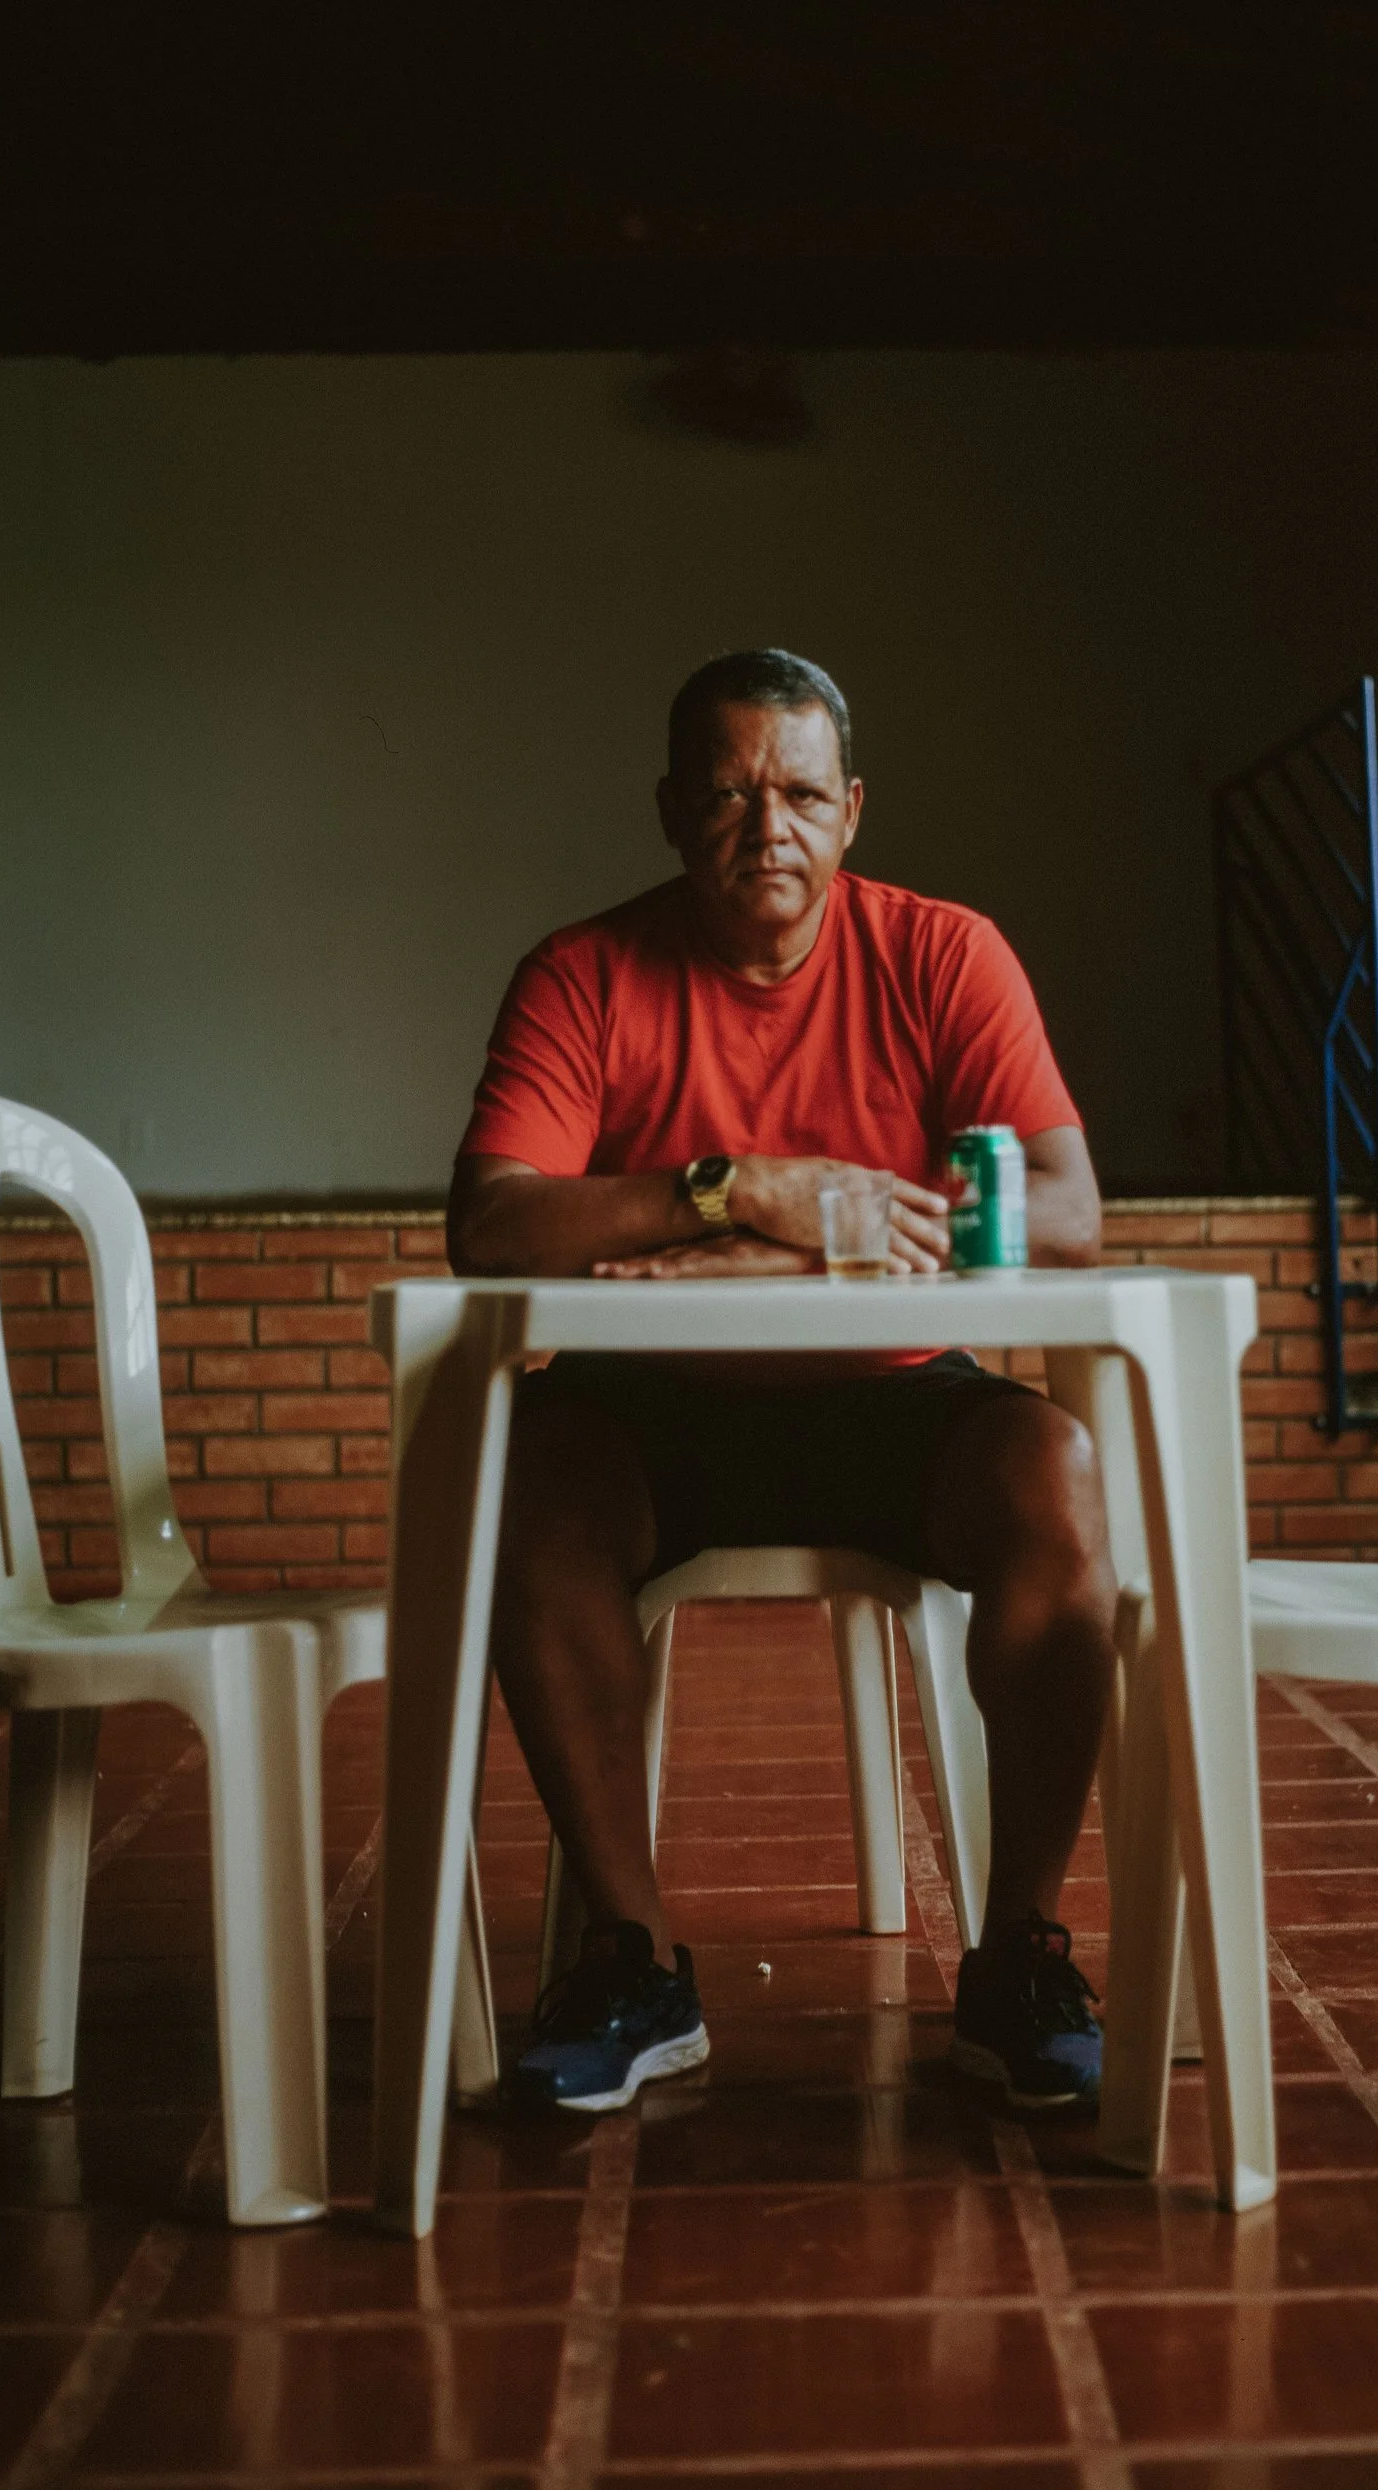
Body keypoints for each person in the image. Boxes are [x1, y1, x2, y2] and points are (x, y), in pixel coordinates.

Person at [448, 649, 1119, 2118]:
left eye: (803, 791)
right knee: (524, 1481)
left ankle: (1017, 1955)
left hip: (894, 1396)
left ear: (854, 808)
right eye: (733, 792)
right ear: (672, 809)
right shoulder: (583, 972)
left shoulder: (944, 954)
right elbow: (493, 1218)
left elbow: (1068, 1205)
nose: (772, 827)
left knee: (1060, 1473)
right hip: (650, 1409)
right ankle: (630, 1960)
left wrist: (837, 1233)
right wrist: (736, 1190)